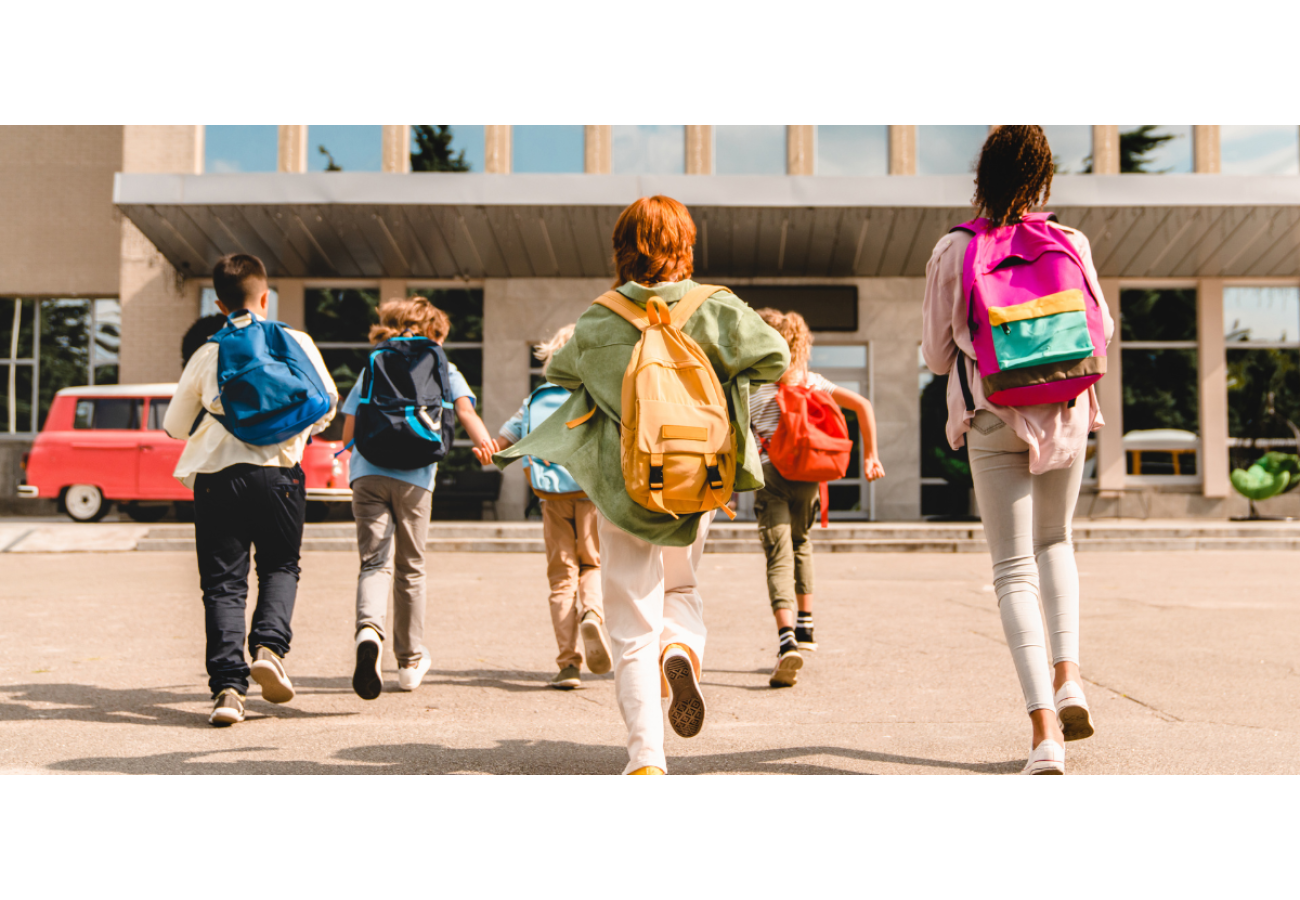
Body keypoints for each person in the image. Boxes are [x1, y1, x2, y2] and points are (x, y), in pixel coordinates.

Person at [494, 195, 789, 774]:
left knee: (630, 618)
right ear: (686, 245)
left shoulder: (601, 317)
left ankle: (646, 759)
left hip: (623, 486)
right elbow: (774, 356)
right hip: (698, 478)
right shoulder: (718, 307)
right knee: (680, 587)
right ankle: (680, 648)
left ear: (621, 248)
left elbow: (559, 371)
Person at [921, 125, 1114, 775]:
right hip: (1064, 409)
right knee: (1056, 543)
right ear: (1042, 180)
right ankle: (1070, 680)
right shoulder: (1070, 240)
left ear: (983, 178)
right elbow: (1102, 330)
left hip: (994, 411)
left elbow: (935, 354)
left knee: (1011, 571)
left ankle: (1042, 735)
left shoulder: (955, 247)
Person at [163, 253, 338, 727]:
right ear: (266, 296)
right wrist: (288, 433)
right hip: (280, 474)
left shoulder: (208, 351)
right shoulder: (294, 341)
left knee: (223, 584)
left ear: (219, 303)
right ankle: (268, 648)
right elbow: (327, 403)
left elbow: (173, 426)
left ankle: (227, 691)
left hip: (218, 478)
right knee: (281, 565)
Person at [341, 297, 494, 699]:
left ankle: (368, 633)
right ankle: (408, 662)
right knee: (411, 568)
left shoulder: (374, 360)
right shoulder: (443, 364)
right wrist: (486, 447)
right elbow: (464, 413)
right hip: (416, 477)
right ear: (435, 333)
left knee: (374, 563)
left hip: (368, 473)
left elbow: (348, 432)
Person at [750, 308, 885, 688]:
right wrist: (871, 456)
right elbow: (864, 406)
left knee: (779, 554)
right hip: (809, 476)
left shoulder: (754, 387)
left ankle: (786, 638)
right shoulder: (811, 381)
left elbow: (736, 438)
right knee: (802, 543)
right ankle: (807, 626)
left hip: (772, 475)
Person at [474, 324, 611, 690]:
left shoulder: (537, 398)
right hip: (591, 493)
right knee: (593, 564)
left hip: (551, 498)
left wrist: (487, 450)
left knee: (561, 578)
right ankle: (593, 614)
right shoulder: (596, 394)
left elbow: (503, 443)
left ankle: (568, 664)